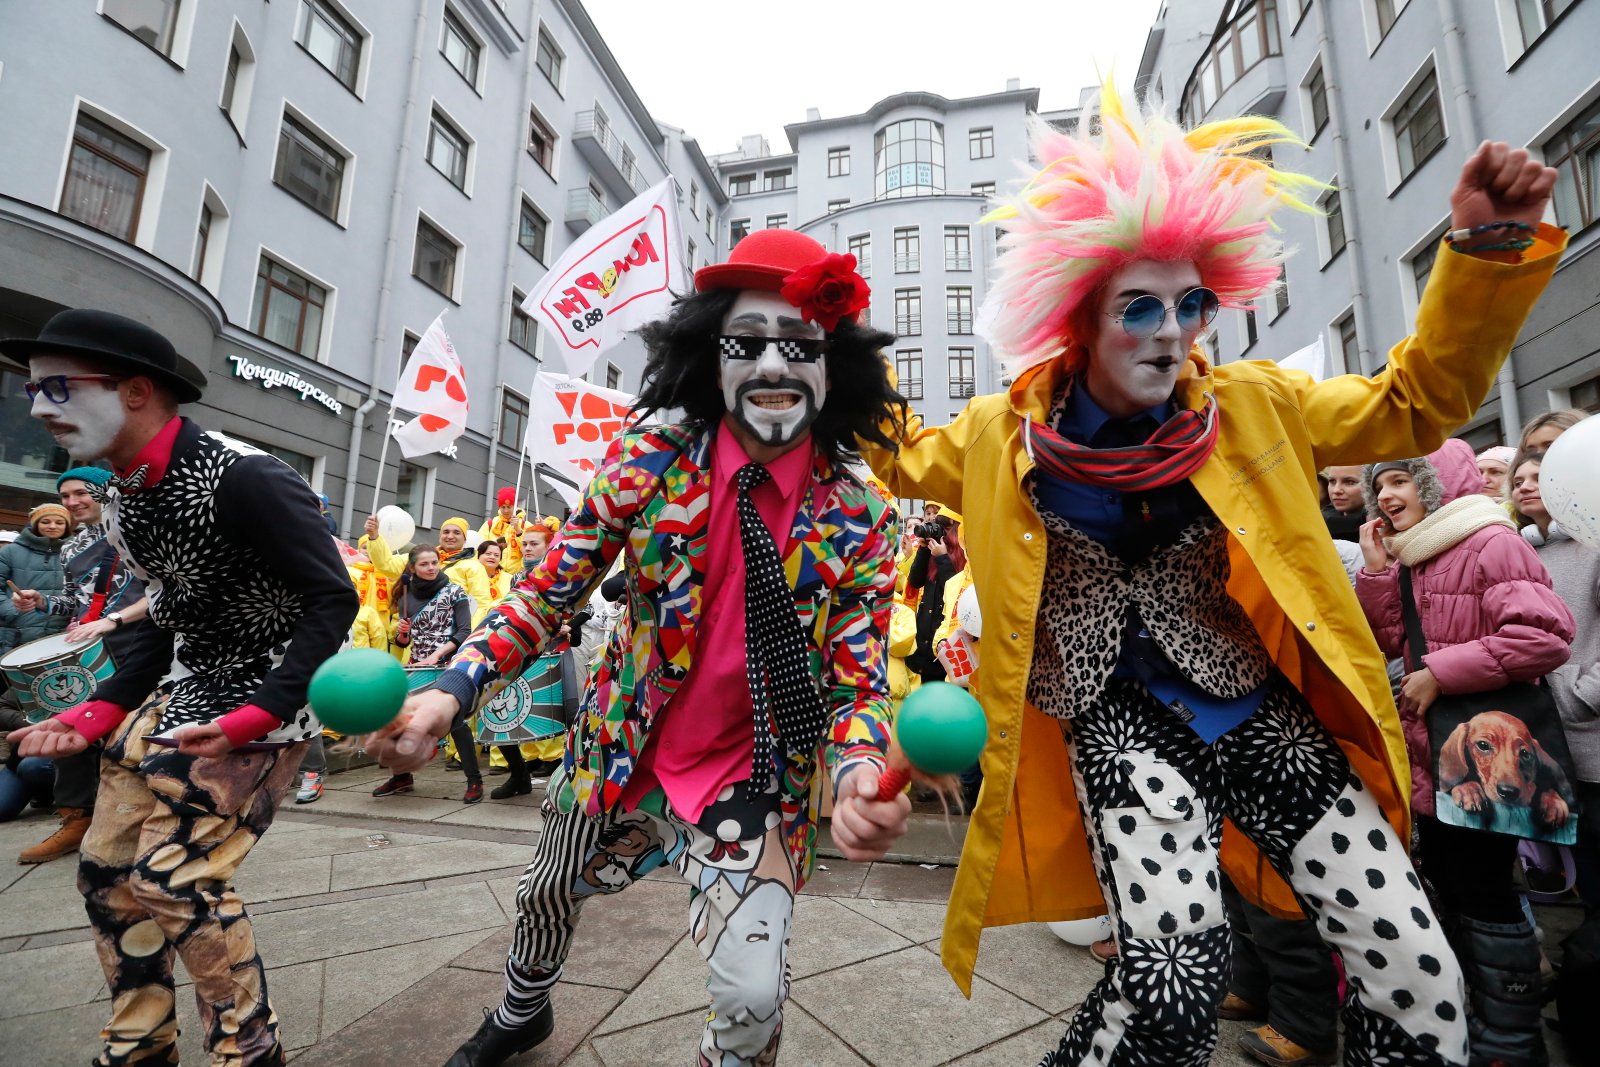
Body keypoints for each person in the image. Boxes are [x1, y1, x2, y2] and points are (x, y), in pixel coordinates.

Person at [864, 80, 1567, 1067]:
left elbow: (1411, 403)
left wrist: (1485, 253)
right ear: (1078, 319)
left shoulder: (1251, 405)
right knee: (1173, 987)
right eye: (1138, 306)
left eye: (1189, 303)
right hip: (1119, 722)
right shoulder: (999, 435)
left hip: (1258, 713)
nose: (1170, 329)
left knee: (1416, 970)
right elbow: (897, 454)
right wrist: (834, 349)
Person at [365, 229, 910, 1067]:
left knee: (754, 997)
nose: (774, 365)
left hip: (754, 769)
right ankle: (521, 1008)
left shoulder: (862, 514)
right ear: (709, 357)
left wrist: (859, 771)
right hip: (623, 741)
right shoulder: (650, 459)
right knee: (547, 889)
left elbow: (859, 677)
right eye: (748, 342)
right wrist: (453, 685)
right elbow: (550, 587)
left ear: (834, 367)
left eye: (801, 345)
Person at [4, 308, 357, 1067]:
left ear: (136, 392)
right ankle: (141, 1042)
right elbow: (168, 607)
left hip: (267, 696)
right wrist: (101, 705)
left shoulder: (247, 476)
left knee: (172, 880)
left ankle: (249, 1048)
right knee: (105, 875)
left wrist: (262, 710)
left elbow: (334, 596)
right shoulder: (124, 495)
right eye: (32, 389)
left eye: (58, 387)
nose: (39, 407)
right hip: (183, 688)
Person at [1357, 439, 1575, 1065]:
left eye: (1399, 480)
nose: (1386, 496)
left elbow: (1544, 636)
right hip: (1440, 754)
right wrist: (1376, 572)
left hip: (1490, 755)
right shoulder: (1415, 553)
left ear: (1438, 482)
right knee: (1451, 883)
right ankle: (1470, 1019)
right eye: (1381, 486)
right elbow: (1398, 639)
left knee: (1485, 889)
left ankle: (1511, 1040)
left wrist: (1443, 673)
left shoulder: (1489, 540)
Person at [10, 467, 150, 864]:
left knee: (136, 733)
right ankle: (76, 817)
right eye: (65, 495)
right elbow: (79, 603)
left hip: (142, 645)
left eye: (80, 493)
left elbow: (166, 592)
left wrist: (117, 620)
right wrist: (41, 602)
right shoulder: (71, 548)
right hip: (90, 648)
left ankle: (139, 819)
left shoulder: (139, 530)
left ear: (105, 492)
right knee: (73, 721)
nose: (72, 502)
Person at [1510, 453, 1600, 914]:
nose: (1525, 484)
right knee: (1584, 871)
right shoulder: (1519, 552)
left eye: (1538, 475)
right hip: (1549, 739)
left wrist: (1584, 694)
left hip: (1590, 732)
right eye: (1518, 478)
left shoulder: (1594, 544)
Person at [373, 545, 479, 803]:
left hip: (449, 664)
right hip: (418, 664)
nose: (431, 568)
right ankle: (402, 776)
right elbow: (402, 643)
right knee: (401, 719)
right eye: (425, 564)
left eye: (434, 562)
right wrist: (402, 634)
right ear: (413, 568)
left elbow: (465, 631)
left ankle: (474, 781)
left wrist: (437, 655)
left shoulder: (455, 591)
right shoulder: (405, 596)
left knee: (456, 723)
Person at [906, 509, 964, 684]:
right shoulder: (933, 554)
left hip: (946, 647)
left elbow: (954, 592)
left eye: (943, 526)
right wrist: (923, 551)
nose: (937, 530)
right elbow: (915, 581)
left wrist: (943, 558)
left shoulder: (963, 559)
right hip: (925, 646)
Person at [438, 516, 491, 617]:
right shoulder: (428, 560)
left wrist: (467, 631)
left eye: (457, 533)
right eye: (446, 532)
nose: (450, 536)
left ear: (465, 539)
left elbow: (480, 605)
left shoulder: (474, 566)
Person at [481, 488, 535, 575]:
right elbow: (480, 549)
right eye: (503, 507)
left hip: (517, 576)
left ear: (515, 507)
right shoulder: (490, 524)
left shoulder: (526, 526)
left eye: (509, 507)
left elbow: (531, 550)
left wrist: (518, 531)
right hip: (492, 575)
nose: (506, 511)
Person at [1321, 464, 1366, 542]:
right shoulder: (1318, 523)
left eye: (1350, 482)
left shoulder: (1384, 532)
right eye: (1332, 481)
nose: (1336, 490)